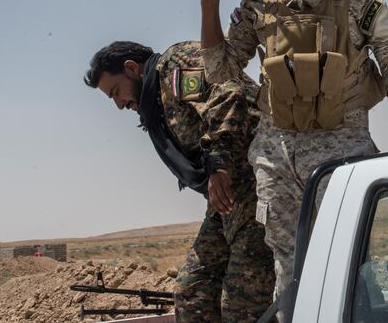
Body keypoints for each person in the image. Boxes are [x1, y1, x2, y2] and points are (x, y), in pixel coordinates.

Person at [195, 0, 388, 297]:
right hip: (276, 154)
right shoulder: (260, 3)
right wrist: (209, 3)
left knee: (354, 263)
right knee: (289, 267)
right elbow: (220, 69)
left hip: (343, 144)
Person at [84, 40, 274, 322]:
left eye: (116, 92)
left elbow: (226, 92)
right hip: (227, 200)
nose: (119, 104)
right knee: (192, 292)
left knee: (241, 301)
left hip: (258, 183)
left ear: (132, 68)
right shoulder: (155, 100)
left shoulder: (176, 64)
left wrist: (218, 163)